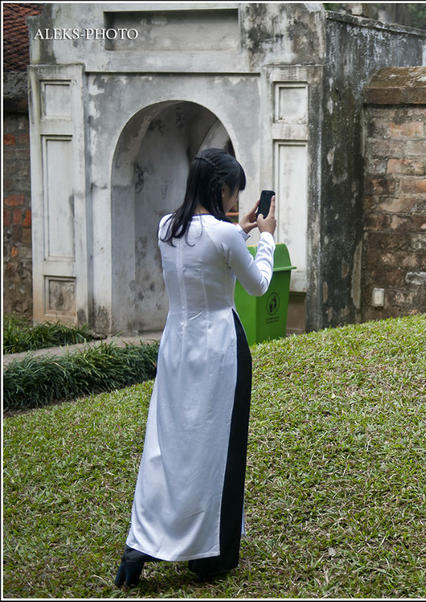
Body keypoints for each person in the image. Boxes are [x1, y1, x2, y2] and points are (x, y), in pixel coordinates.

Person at [114, 148, 277, 587]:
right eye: (233, 191)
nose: (234, 199)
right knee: (217, 444)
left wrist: (236, 232)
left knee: (167, 444)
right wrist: (266, 238)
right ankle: (210, 555)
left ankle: (140, 546)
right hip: (220, 346)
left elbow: (203, 252)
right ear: (221, 188)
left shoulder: (168, 226)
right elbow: (258, 284)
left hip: (176, 344)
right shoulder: (223, 235)